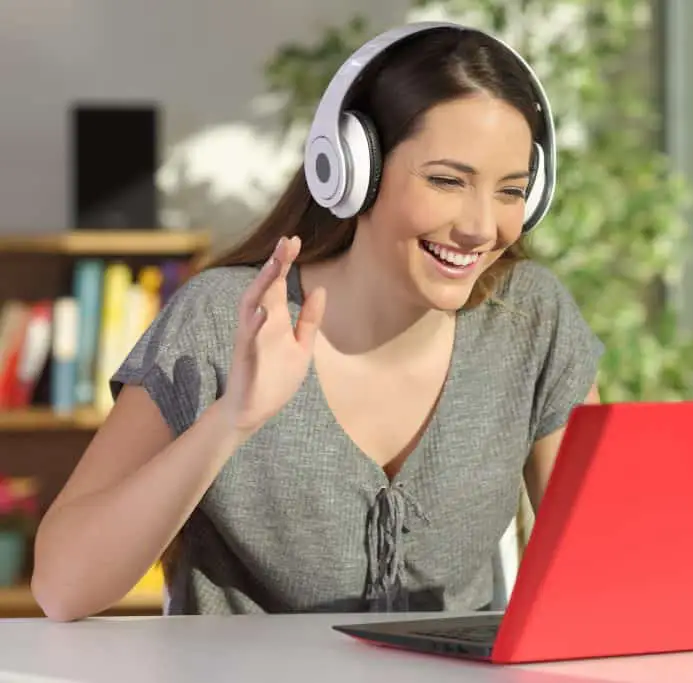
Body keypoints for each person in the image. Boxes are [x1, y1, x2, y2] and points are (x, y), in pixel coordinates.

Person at [30, 22, 603, 621]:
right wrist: (233, 418)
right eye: (446, 181)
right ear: (355, 170)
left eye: (511, 191)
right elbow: (64, 589)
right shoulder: (228, 317)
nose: (482, 228)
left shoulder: (529, 319)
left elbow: (600, 568)